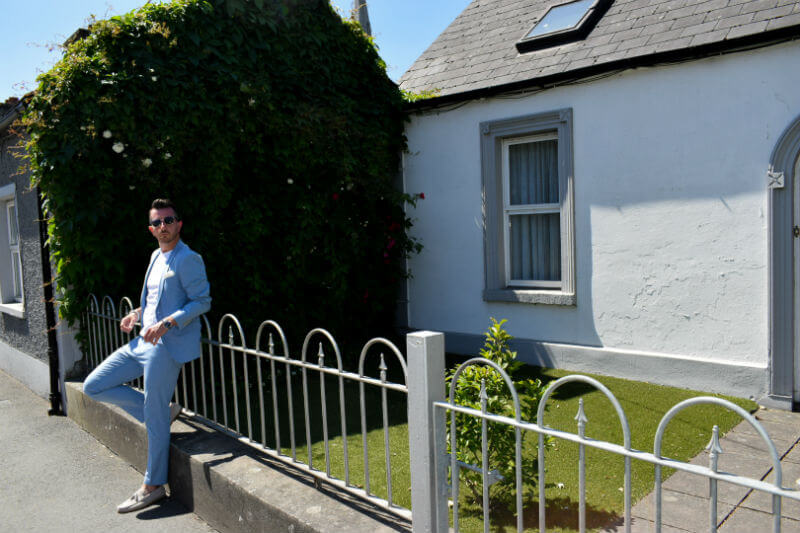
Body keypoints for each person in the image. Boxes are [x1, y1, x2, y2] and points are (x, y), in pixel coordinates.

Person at [83, 198, 211, 513]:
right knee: (93, 385)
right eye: (157, 223)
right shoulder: (156, 255)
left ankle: (153, 485)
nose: (163, 227)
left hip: (166, 346)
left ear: (179, 224)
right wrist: (135, 315)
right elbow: (156, 300)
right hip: (142, 341)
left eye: (168, 220)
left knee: (154, 415)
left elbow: (201, 301)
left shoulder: (188, 259)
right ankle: (158, 413)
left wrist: (168, 323)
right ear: (150, 229)